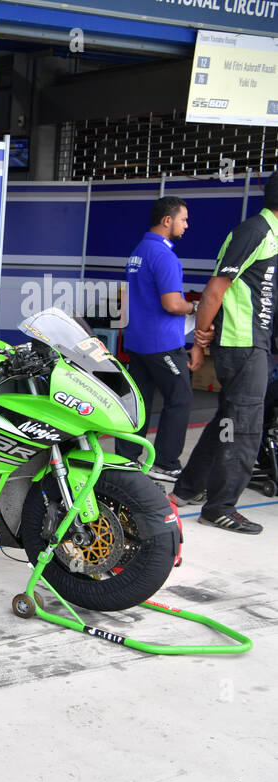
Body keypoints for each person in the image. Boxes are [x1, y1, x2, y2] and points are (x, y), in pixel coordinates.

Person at [173, 174, 278, 534]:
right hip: (243, 344)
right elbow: (215, 289)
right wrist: (199, 343)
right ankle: (220, 506)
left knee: (228, 422)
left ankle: (187, 489)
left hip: (252, 342)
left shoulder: (269, 233)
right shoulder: (257, 231)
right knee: (245, 429)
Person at [116, 196, 196, 481]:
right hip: (162, 345)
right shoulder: (165, 256)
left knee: (139, 401)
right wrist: (194, 307)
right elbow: (173, 304)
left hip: (137, 342)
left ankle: (125, 458)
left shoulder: (139, 251)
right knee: (180, 399)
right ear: (167, 220)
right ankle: (166, 462)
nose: (186, 225)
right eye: (183, 219)